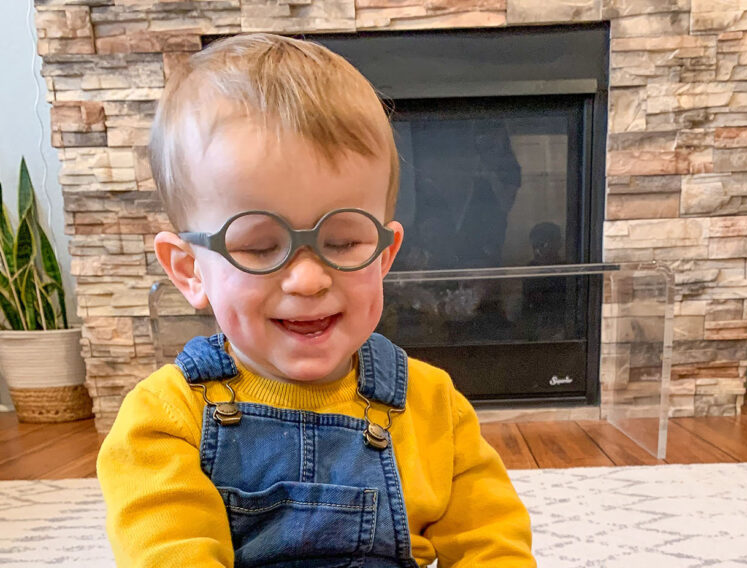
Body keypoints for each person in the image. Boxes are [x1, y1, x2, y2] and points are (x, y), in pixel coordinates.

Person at [96, 33, 535, 567]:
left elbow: (494, 542)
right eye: (259, 247)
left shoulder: (433, 406)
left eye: (343, 242)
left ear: (383, 253)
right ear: (191, 271)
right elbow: (170, 553)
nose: (307, 279)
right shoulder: (164, 419)